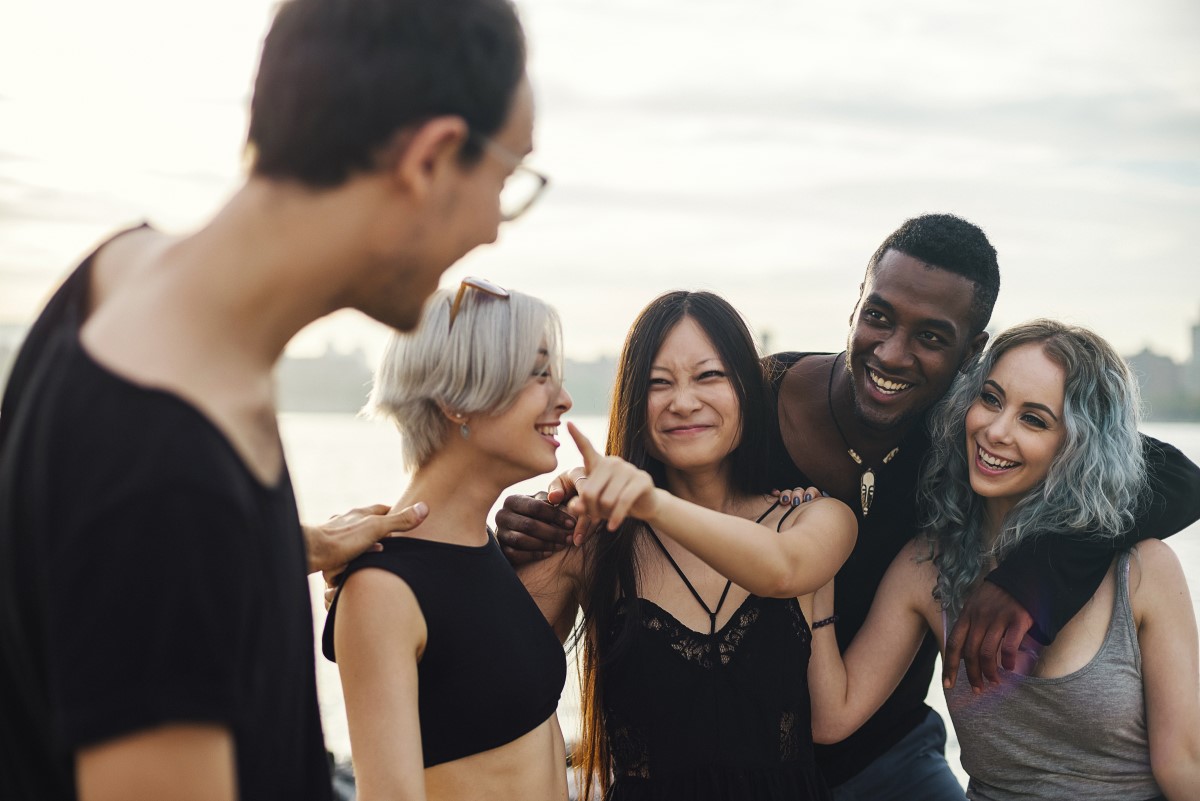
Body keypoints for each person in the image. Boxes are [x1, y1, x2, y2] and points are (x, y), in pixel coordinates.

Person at [0, 0, 541, 798]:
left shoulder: (118, 277)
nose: (496, 228)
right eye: (506, 178)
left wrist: (296, 546)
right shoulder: (163, 474)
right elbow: (156, 536)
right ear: (430, 160)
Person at [497, 214, 1200, 799]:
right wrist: (530, 522)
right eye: (879, 316)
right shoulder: (750, 405)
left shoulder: (964, 434)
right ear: (856, 303)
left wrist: (1035, 573)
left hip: (889, 757)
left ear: (970, 352)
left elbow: (1167, 474)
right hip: (742, 757)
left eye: (931, 337)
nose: (893, 352)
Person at [807, 320, 1200, 800]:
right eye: (991, 399)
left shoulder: (1143, 569)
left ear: (1079, 446)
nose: (995, 431)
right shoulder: (927, 565)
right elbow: (833, 717)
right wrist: (814, 572)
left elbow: (1184, 764)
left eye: (1034, 419)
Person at [517, 291, 858, 800]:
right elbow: (501, 689)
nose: (683, 401)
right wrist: (505, 536)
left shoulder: (813, 518)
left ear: (747, 387)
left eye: (709, 376)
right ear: (635, 400)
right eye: (659, 383)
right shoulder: (589, 537)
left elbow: (783, 571)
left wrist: (646, 500)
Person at [321, 282, 573, 800]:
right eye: (539, 374)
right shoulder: (383, 589)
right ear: (456, 401)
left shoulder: (484, 552)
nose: (564, 399)